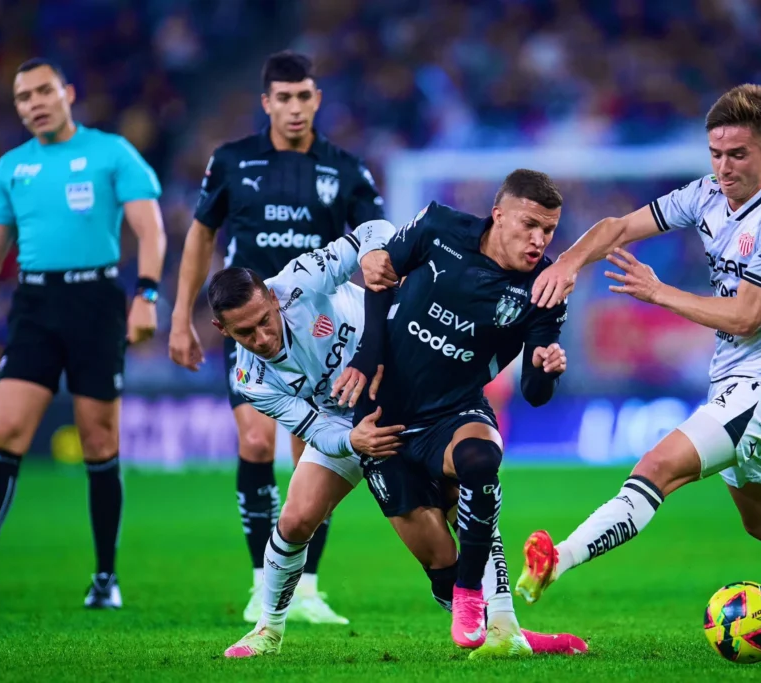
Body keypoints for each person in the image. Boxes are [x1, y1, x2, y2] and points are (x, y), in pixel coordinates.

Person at [515, 84, 761, 654]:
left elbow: (746, 316)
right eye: (716, 154)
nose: (724, 167)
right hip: (734, 386)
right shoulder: (706, 194)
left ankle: (558, 560)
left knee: (657, 467)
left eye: (738, 154)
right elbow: (620, 228)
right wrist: (570, 262)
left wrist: (658, 291)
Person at [208, 223, 586, 659]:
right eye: (245, 334)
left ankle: (506, 628)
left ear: (272, 299)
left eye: (263, 322)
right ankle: (268, 631)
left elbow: (376, 230)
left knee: (464, 493)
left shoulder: (298, 281)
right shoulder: (249, 379)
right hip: (349, 428)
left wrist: (370, 254)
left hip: (410, 390)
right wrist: (353, 439)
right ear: (222, 329)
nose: (262, 338)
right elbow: (313, 428)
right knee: (296, 521)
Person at [0, 58, 165, 611]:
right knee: (6, 428)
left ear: (67, 93)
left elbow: (150, 225)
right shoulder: (11, 167)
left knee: (99, 440)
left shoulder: (111, 152)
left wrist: (146, 295)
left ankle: (105, 577)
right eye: (22, 97)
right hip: (34, 305)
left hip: (97, 302)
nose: (33, 103)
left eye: (42, 92)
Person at [169, 50, 383, 625]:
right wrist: (178, 317)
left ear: (317, 99)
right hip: (251, 331)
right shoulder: (232, 161)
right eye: (282, 98)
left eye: (304, 96)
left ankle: (307, 585)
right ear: (266, 102)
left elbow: (374, 243)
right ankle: (261, 581)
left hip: (316, 329)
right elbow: (200, 237)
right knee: (257, 444)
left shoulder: (346, 168)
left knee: (313, 449)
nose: (294, 108)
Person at [341, 169, 572, 658]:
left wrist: (546, 370)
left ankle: (472, 596)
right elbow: (379, 276)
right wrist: (368, 353)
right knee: (438, 557)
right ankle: (497, 624)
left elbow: (534, 393)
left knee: (480, 462)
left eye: (548, 230)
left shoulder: (544, 287)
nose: (539, 240)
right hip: (384, 419)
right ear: (498, 214)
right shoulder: (438, 226)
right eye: (529, 224)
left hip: (455, 410)